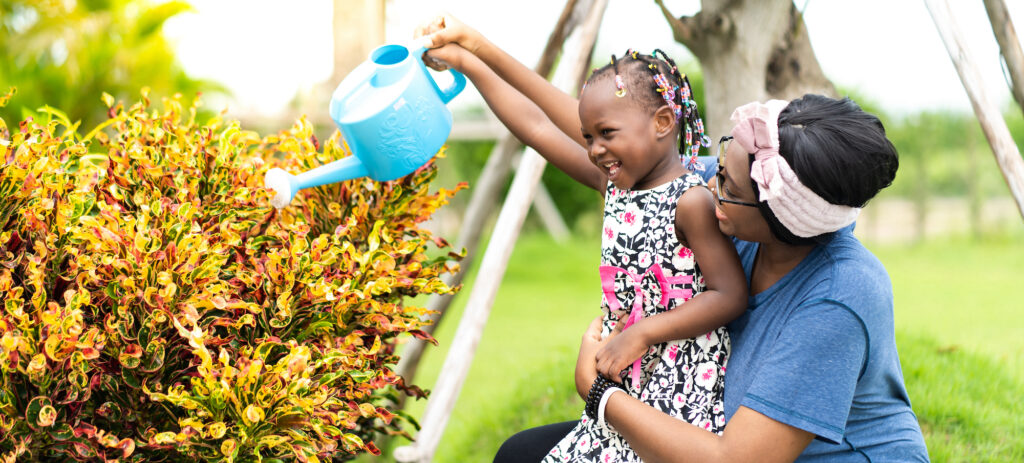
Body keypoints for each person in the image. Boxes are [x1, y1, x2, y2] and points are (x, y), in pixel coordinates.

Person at [418, 16, 930, 463]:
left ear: (779, 217)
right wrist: (477, 52)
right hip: (690, 418)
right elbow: (580, 127)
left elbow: (736, 461)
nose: (710, 183)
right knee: (522, 455)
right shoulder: (726, 203)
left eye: (726, 186)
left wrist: (600, 395)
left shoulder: (839, 296)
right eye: (719, 164)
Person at [416, 16, 749, 463]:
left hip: (678, 390)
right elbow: (534, 125)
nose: (593, 149)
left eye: (606, 134)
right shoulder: (616, 187)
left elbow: (729, 295)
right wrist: (473, 60)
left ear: (663, 122)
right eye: (589, 137)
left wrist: (642, 334)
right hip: (626, 378)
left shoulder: (690, 201)